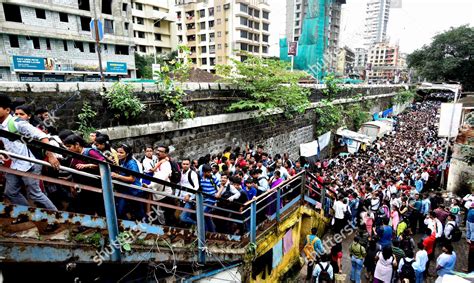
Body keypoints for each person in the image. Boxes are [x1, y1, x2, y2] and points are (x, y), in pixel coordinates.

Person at [0, 94, 59, 213]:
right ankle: (29, 214)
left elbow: (42, 136)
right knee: (10, 192)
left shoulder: (17, 122)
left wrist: (51, 156)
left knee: (35, 194)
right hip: (15, 164)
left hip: (29, 164)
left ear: (7, 110)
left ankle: (57, 216)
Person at [112, 144, 144, 220]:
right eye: (117, 152)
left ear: (127, 153)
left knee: (139, 213)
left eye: (121, 153)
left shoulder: (131, 163)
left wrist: (117, 176)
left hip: (134, 191)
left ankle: (144, 228)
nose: (118, 154)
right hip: (125, 191)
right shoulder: (122, 161)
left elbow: (132, 179)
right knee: (121, 210)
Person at [149, 145, 174, 225]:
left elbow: (162, 178)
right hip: (158, 193)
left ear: (166, 154)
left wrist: (151, 186)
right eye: (157, 150)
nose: (157, 152)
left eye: (161, 151)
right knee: (158, 215)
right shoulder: (158, 161)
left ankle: (172, 232)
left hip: (164, 194)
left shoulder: (166, 164)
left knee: (168, 216)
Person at [178, 158, 199, 226]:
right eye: (184, 164)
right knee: (186, 216)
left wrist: (189, 195)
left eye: (187, 164)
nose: (185, 165)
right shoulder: (180, 173)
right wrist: (177, 196)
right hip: (181, 198)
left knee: (183, 217)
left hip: (189, 199)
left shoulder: (193, 174)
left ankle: (197, 225)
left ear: (190, 165)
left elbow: (196, 186)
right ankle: (192, 230)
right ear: (181, 164)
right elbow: (179, 185)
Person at [200, 164, 220, 232]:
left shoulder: (213, 178)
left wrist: (218, 193)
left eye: (210, 172)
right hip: (204, 200)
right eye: (208, 172)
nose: (209, 173)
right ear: (204, 172)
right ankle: (213, 232)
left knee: (202, 213)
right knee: (207, 216)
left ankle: (205, 232)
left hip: (211, 200)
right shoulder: (200, 178)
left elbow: (221, 186)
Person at [466, 203, 474, 273]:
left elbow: (469, 229)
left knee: (471, 256)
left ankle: (470, 270)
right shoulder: (471, 212)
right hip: (472, 240)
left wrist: (469, 238)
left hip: (472, 241)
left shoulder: (470, 212)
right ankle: (470, 270)